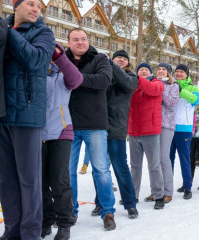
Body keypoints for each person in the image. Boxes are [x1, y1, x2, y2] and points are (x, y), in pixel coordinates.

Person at [0, 0, 55, 240]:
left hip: (28, 113)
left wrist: (9, 31)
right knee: (7, 180)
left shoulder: (43, 33)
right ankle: (12, 230)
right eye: (30, 4)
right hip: (3, 113)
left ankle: (30, 233)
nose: (36, 9)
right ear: (17, 7)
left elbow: (35, 60)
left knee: (29, 180)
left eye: (38, 6)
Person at [66, 28, 116, 230]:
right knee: (67, 172)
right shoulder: (63, 60)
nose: (80, 42)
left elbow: (103, 81)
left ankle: (108, 212)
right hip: (67, 123)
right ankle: (70, 211)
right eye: (75, 39)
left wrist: (74, 78)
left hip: (95, 123)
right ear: (68, 42)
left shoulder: (100, 59)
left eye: (83, 39)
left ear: (88, 41)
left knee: (101, 169)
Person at [41, 43, 83, 240]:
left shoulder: (64, 73)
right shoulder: (36, 71)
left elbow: (77, 79)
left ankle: (65, 223)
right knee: (39, 181)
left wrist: (60, 58)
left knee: (60, 180)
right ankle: (45, 220)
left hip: (61, 131)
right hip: (37, 133)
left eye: (54, 53)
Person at [91, 49, 139, 218]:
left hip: (117, 126)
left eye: (124, 59)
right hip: (98, 124)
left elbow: (127, 83)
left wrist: (109, 62)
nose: (120, 60)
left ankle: (130, 203)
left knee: (120, 166)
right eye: (117, 58)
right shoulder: (102, 74)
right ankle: (101, 203)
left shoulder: (132, 76)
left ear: (128, 62)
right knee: (99, 168)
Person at [128, 63, 165, 209]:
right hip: (133, 131)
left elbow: (151, 90)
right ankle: (133, 196)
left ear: (150, 72)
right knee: (135, 166)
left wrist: (134, 77)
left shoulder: (157, 83)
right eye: (140, 69)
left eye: (146, 69)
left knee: (154, 165)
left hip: (150, 131)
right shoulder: (132, 86)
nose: (143, 70)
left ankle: (159, 196)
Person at [145, 62, 179, 203]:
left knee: (164, 158)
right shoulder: (151, 83)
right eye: (158, 69)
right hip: (152, 124)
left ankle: (168, 191)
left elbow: (171, 104)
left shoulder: (174, 86)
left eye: (164, 69)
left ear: (168, 72)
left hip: (166, 124)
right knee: (154, 159)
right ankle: (156, 191)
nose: (160, 71)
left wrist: (160, 88)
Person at [170, 64, 199, 200]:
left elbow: (196, 100)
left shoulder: (192, 88)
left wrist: (180, 89)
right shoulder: (170, 85)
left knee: (184, 159)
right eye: (176, 71)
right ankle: (167, 187)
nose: (178, 73)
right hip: (169, 128)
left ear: (187, 74)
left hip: (184, 129)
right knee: (168, 160)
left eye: (181, 72)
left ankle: (187, 187)